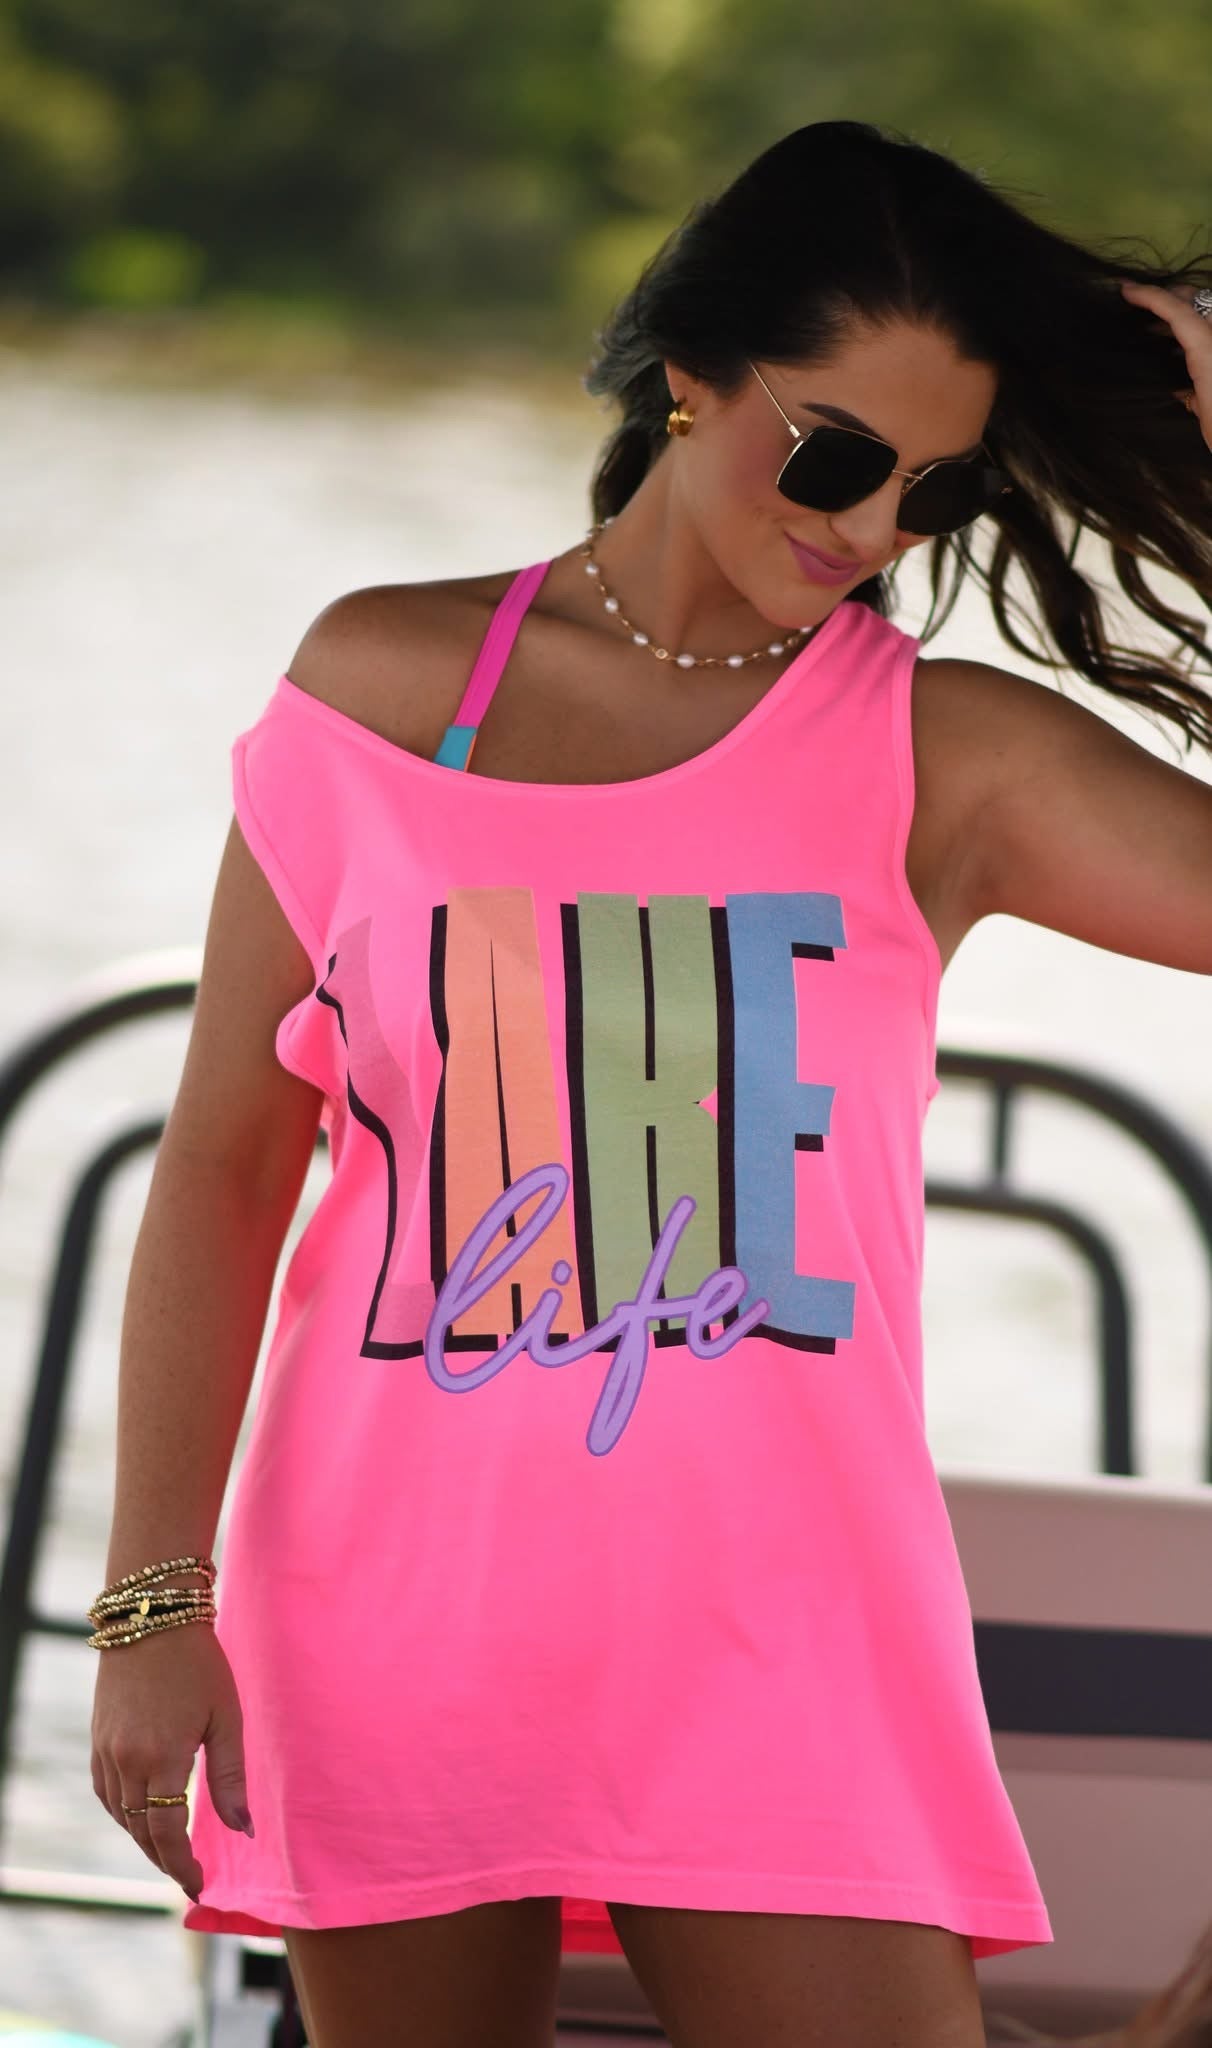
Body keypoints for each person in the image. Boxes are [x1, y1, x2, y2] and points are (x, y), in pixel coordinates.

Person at [88, 118, 1212, 2048]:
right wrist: (150, 1606)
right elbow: (221, 1167)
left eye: (931, 493)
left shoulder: (944, 757)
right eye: (836, 455)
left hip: (781, 1640)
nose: (868, 530)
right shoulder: (380, 686)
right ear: (692, 370)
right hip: (389, 1617)